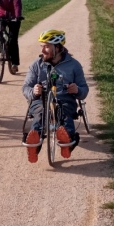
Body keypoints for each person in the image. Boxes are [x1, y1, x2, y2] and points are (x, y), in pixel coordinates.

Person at [22, 29, 89, 163]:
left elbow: (84, 90)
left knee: (64, 113)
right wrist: (33, 91)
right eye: (42, 46)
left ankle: (67, 140)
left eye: (46, 46)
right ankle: (34, 143)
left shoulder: (74, 65)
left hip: (65, 98)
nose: (43, 50)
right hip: (41, 99)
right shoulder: (36, 65)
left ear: (58, 47)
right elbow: (26, 88)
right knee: (40, 113)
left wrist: (77, 89)